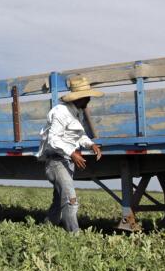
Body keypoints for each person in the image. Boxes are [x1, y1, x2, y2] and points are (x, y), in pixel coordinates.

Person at [35, 75, 110, 233]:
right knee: (70, 200)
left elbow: (79, 135)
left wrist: (91, 144)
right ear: (80, 97)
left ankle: (47, 228)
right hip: (56, 162)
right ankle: (74, 236)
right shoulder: (61, 112)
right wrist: (72, 153)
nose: (89, 98)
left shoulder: (77, 112)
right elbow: (53, 139)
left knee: (58, 201)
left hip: (66, 161)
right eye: (87, 96)